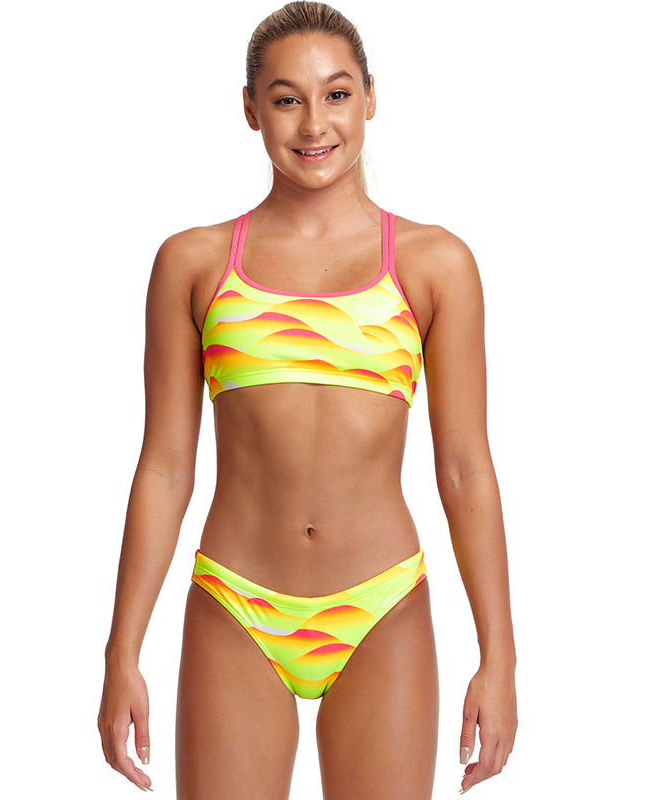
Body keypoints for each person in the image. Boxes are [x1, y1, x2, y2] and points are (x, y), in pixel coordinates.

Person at [97, 2, 517, 797]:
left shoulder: (435, 265)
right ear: (250, 108)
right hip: (236, 604)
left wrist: (500, 658)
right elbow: (164, 469)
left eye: (337, 94)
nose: (314, 123)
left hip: (381, 606)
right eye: (287, 98)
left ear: (370, 98)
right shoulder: (193, 263)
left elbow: (466, 468)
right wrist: (122, 653)